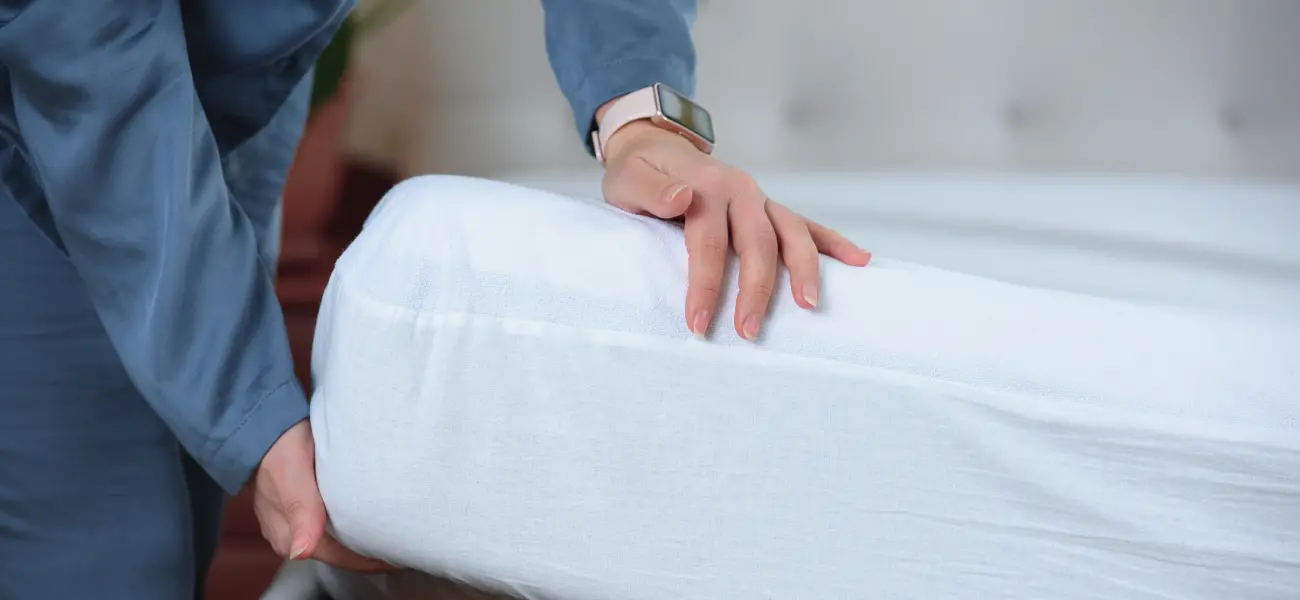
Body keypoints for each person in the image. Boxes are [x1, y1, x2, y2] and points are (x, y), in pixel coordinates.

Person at [0, 1, 869, 597]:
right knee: (115, 549)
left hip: (229, 86)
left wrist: (644, 118)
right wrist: (250, 414)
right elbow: (86, 63)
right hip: (52, 95)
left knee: (175, 514)